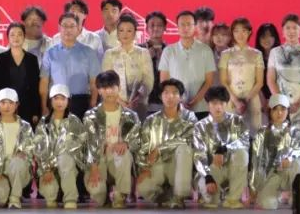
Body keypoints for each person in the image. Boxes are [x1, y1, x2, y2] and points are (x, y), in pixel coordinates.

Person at [135, 78, 196, 208]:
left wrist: (159, 149)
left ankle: (179, 196)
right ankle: (165, 196)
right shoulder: (151, 120)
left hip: (178, 166)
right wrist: (144, 167)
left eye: (175, 93)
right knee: (144, 187)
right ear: (160, 96)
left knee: (184, 148)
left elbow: (188, 139)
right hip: (157, 165)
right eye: (166, 93)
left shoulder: (189, 117)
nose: (170, 96)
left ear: (181, 97)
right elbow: (143, 147)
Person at [83, 70, 139, 207]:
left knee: (124, 153)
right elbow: (88, 144)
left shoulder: (130, 116)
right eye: (104, 88)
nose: (109, 92)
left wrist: (126, 143)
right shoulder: (91, 116)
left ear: (119, 88)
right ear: (99, 91)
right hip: (99, 160)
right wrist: (94, 168)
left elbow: (137, 140)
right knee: (98, 193)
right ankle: (104, 194)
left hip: (118, 160)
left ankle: (120, 195)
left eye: (112, 87)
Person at [266, 14, 300, 163]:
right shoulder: (275, 52)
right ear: (282, 31)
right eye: (288, 28)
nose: (291, 31)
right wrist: (283, 104)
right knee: (281, 148)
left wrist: (299, 102)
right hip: (281, 109)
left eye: (295, 28)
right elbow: (271, 79)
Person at [193, 86, 250, 209]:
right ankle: (209, 192)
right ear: (208, 104)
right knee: (211, 201)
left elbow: (245, 141)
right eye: (214, 103)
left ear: (226, 104)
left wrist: (224, 149)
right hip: (211, 170)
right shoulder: (199, 127)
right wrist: (208, 177)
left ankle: (233, 199)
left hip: (233, 167)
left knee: (242, 154)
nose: (218, 107)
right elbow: (198, 155)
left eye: (221, 103)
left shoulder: (237, 121)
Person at [249, 94, 300, 210]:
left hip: (288, 173)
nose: (279, 113)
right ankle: (275, 195)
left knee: (297, 164)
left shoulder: (297, 132)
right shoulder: (261, 133)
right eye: (275, 109)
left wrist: (289, 159)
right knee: (267, 205)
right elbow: (255, 161)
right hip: (270, 175)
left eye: (283, 109)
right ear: (270, 111)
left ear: (288, 111)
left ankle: (296, 196)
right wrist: (253, 187)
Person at [0, 88, 36, 209]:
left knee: (17, 162)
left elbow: (30, 150)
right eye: (3, 102)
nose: (7, 106)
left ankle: (15, 198)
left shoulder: (25, 127)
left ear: (16, 105)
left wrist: (24, 155)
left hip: (18, 168)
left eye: (11, 103)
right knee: (0, 195)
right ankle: (8, 190)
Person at [40, 13, 101, 118]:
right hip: (57, 101)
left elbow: (94, 81)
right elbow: (44, 83)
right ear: (59, 28)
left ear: (78, 29)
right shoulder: (50, 53)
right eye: (64, 26)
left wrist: (93, 103)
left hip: (81, 101)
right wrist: (44, 106)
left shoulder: (89, 52)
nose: (68, 30)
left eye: (72, 26)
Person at [35, 84, 86, 209]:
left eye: (63, 99)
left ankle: (70, 198)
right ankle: (52, 196)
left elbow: (79, 145)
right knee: (49, 195)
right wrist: (47, 168)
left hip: (68, 165)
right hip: (49, 166)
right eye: (56, 98)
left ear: (68, 101)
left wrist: (61, 157)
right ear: (50, 100)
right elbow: (40, 147)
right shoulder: (44, 122)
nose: (59, 102)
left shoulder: (74, 121)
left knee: (65, 159)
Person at [159, 10, 217, 119]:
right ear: (177, 27)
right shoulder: (169, 51)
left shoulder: (205, 50)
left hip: (201, 107)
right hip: (175, 107)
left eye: (189, 24)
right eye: (182, 24)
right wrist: (178, 100)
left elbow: (209, 81)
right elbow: (164, 81)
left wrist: (196, 100)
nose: (186, 28)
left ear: (195, 26)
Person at [101, 13, 154, 120]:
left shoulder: (143, 53)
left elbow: (148, 81)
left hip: (138, 105)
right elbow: (106, 82)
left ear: (135, 33)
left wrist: (137, 98)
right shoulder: (110, 54)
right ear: (117, 33)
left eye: (129, 31)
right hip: (114, 103)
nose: (125, 34)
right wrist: (120, 101)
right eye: (121, 30)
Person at [0, 22, 42, 126]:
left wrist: (36, 111)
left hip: (27, 108)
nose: (16, 38)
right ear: (8, 38)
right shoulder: (0, 59)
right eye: (12, 35)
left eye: (19, 34)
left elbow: (35, 87)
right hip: (6, 107)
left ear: (24, 37)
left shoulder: (32, 59)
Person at [219, 17, 264, 131]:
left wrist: (246, 100)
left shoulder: (257, 54)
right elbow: (223, 81)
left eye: (244, 30)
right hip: (232, 99)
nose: (240, 34)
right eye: (236, 31)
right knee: (233, 134)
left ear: (249, 32)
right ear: (232, 33)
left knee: (254, 134)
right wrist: (236, 101)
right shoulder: (225, 54)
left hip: (252, 99)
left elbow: (259, 82)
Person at [143, 11, 168, 114]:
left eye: (159, 25)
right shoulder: (139, 50)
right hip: (143, 102)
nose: (156, 28)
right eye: (152, 25)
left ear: (165, 28)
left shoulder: (170, 50)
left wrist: (165, 60)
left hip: (165, 102)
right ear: (146, 28)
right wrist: (146, 58)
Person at [255, 22, 281, 104]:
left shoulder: (282, 57)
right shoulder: (255, 58)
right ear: (259, 39)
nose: (267, 39)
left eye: (270, 36)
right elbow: (255, 83)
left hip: (279, 100)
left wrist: (278, 100)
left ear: (275, 38)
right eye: (263, 36)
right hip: (260, 101)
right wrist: (264, 102)